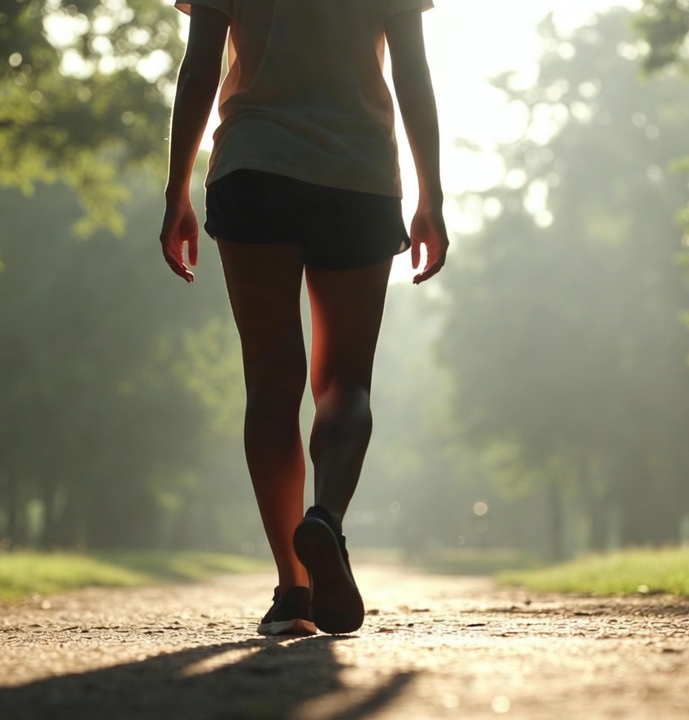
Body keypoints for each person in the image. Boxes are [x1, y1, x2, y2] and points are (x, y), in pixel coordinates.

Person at [160, 0, 448, 636]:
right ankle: (326, 520)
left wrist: (176, 189)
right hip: (358, 172)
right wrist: (432, 194)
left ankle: (293, 589)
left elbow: (201, 61)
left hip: (253, 165)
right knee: (346, 380)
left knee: (270, 382)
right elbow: (413, 70)